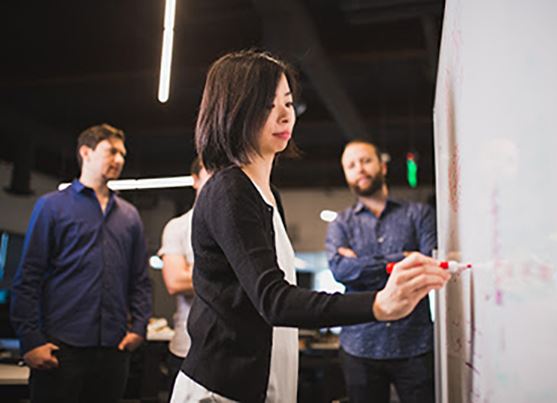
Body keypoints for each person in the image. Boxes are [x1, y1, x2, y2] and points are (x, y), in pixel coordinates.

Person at [171, 50, 450, 403]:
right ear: (235, 109)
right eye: (267, 104)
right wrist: (378, 304)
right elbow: (275, 300)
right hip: (220, 390)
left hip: (260, 382)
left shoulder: (266, 192)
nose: (285, 113)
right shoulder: (230, 189)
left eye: (287, 102)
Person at [10, 124, 152, 403]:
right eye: (112, 151)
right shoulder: (52, 206)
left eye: (123, 154)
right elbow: (29, 276)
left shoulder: (130, 216)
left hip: (113, 350)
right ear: (86, 152)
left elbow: (140, 279)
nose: (120, 160)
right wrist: (30, 340)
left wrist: (139, 328)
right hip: (61, 349)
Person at [326, 140, 438, 403]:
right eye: (351, 165)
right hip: (359, 345)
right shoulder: (341, 223)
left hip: (415, 343)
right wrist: (401, 258)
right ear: (346, 175)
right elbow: (341, 270)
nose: (360, 169)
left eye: (365, 161)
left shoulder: (419, 214)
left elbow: (425, 266)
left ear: (382, 166)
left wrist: (362, 263)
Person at [158, 157, 210, 399]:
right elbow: (175, 282)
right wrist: (229, 273)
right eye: (210, 173)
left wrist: (193, 270)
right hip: (186, 349)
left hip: (229, 353)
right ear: (195, 180)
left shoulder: (238, 227)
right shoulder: (178, 227)